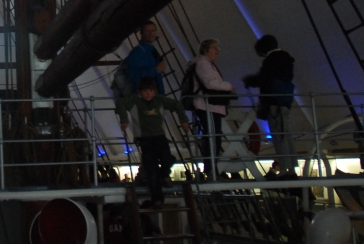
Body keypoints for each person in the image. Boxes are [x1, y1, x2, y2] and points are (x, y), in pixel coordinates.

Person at [116, 76, 191, 205]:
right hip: (144, 139)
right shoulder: (134, 101)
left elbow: (177, 104)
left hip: (159, 137)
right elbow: (120, 103)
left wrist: (183, 120)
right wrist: (124, 119)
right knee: (151, 169)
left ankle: (164, 174)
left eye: (150, 90)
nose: (148, 94)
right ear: (140, 92)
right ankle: (157, 199)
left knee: (166, 159)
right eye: (145, 91)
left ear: (155, 91)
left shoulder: (160, 100)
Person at [242, 34, 297, 177]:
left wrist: (249, 81)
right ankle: (292, 168)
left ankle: (285, 170)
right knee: (286, 134)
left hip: (274, 103)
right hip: (285, 102)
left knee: (279, 136)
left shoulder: (271, 60)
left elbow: (264, 79)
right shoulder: (286, 59)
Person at [189, 39, 235, 179]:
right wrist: (229, 86)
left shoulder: (205, 63)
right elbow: (211, 84)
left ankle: (212, 168)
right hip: (207, 106)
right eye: (214, 48)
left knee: (213, 137)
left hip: (210, 106)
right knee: (213, 137)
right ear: (206, 50)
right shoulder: (204, 64)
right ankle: (211, 169)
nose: (217, 51)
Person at [115, 20, 167, 97]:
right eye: (147, 31)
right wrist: (156, 70)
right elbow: (135, 76)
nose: (151, 33)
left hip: (152, 96)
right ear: (141, 34)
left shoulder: (150, 50)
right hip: (144, 98)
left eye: (153, 30)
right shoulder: (138, 52)